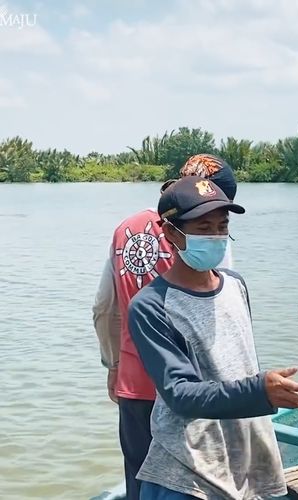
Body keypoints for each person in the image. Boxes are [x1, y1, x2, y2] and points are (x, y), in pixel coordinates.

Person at [127, 176, 298, 499]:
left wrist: (262, 392)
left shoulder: (236, 285)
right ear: (171, 232)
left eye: (222, 226)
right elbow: (180, 393)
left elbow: (239, 362)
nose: (216, 236)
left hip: (246, 457)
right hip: (188, 471)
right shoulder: (150, 306)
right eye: (203, 228)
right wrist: (260, 391)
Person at [92, 154, 238, 500]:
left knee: (139, 481)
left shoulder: (124, 228)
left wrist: (113, 365)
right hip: (191, 387)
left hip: (134, 383)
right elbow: (220, 314)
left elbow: (103, 308)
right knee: (193, 485)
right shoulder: (207, 239)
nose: (216, 223)